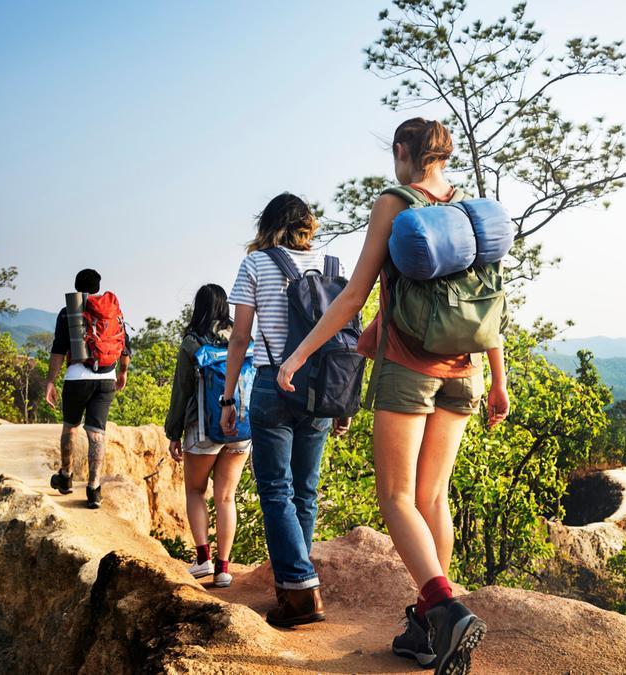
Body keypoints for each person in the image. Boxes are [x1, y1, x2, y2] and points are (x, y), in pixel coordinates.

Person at [276, 118, 509, 673]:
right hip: (467, 370)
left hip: (411, 370)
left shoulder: (395, 202)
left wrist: (300, 354)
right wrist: (500, 379)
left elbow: (353, 294)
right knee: (434, 497)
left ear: (403, 152)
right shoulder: (468, 212)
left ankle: (446, 610)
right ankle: (426, 632)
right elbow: (494, 303)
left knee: (397, 497)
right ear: (445, 156)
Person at [222, 193, 351, 627]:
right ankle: (295, 585)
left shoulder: (256, 264)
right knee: (305, 491)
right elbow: (345, 333)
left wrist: (227, 398)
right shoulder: (333, 265)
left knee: (276, 490)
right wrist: (342, 399)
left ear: (268, 224)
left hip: (273, 386)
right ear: (307, 224)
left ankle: (300, 590)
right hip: (321, 387)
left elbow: (239, 338)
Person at [163, 284, 251, 588]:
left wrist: (173, 432)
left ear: (198, 307)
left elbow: (181, 391)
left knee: (196, 492)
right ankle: (224, 569)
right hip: (240, 429)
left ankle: (203, 560)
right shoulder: (242, 336)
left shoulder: (192, 342)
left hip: (203, 429)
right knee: (227, 496)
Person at [45, 268, 132, 509]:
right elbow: (125, 348)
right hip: (106, 377)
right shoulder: (114, 313)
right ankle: (94, 489)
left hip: (76, 377)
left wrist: (50, 381)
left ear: (76, 286)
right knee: (96, 434)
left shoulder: (68, 312)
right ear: (98, 287)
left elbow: (58, 350)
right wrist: (122, 373)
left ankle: (65, 476)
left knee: (71, 428)